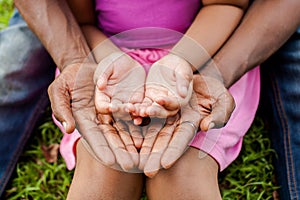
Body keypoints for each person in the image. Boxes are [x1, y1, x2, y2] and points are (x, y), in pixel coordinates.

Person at [50, 0, 262, 199]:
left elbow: (225, 4)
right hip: (106, 62)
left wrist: (183, 61)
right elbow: (82, 22)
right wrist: (109, 60)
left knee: (183, 176)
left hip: (199, 59)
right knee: (102, 171)